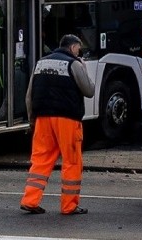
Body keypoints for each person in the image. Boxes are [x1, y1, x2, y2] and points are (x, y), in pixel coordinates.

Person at [20, 34, 95, 215]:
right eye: (78, 48)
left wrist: (32, 120)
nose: (79, 52)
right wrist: (83, 68)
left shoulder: (41, 63)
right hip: (67, 119)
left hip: (42, 118)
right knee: (72, 161)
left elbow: (29, 95)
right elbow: (89, 90)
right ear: (72, 47)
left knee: (40, 160)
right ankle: (69, 205)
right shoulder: (74, 64)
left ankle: (30, 200)